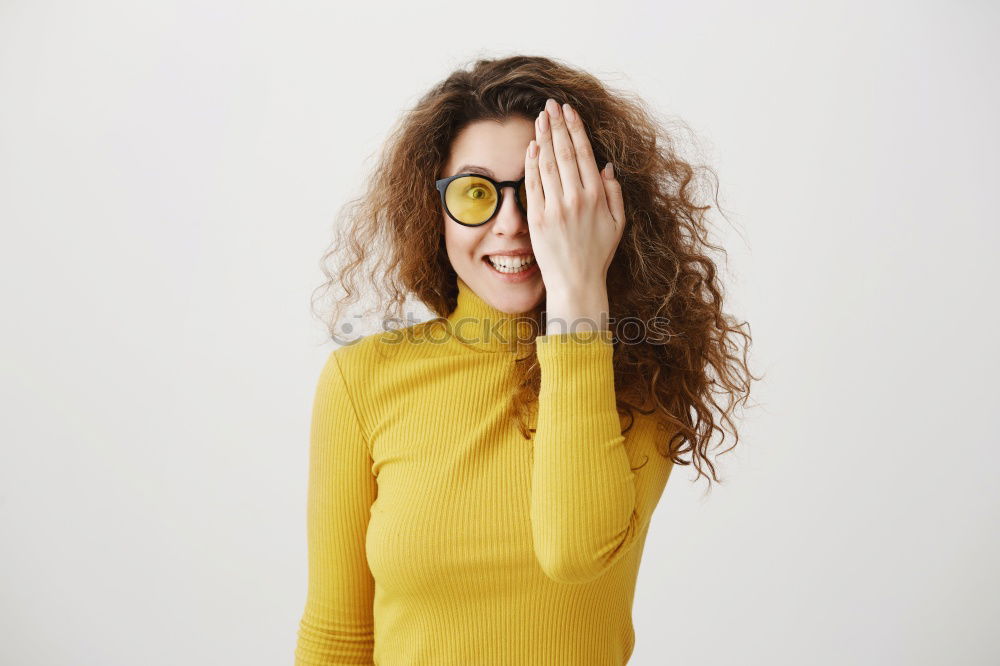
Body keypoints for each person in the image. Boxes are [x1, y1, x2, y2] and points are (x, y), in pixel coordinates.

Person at [294, 54, 756, 665]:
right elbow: (337, 636)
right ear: (434, 209)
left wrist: (578, 293)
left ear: (597, 208)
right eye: (477, 192)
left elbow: (573, 552)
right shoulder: (362, 380)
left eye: (542, 194)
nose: (512, 225)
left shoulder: (644, 375)